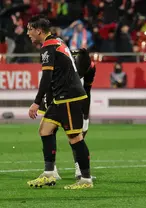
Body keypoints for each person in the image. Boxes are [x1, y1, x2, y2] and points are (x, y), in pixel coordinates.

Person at [26, 15, 93, 189]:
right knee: (45, 130)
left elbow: (46, 77)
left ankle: (86, 179)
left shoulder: (48, 47)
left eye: (30, 29)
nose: (28, 33)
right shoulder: (57, 41)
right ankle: (49, 173)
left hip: (69, 97)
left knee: (75, 138)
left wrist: (36, 102)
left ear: (39, 30)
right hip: (60, 98)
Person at [38, 48, 96, 180]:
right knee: (49, 130)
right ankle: (52, 170)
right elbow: (48, 83)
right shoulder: (63, 61)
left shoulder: (91, 67)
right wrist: (48, 105)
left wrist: (85, 115)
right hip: (51, 94)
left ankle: (80, 170)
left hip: (70, 97)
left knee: (76, 135)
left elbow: (87, 90)